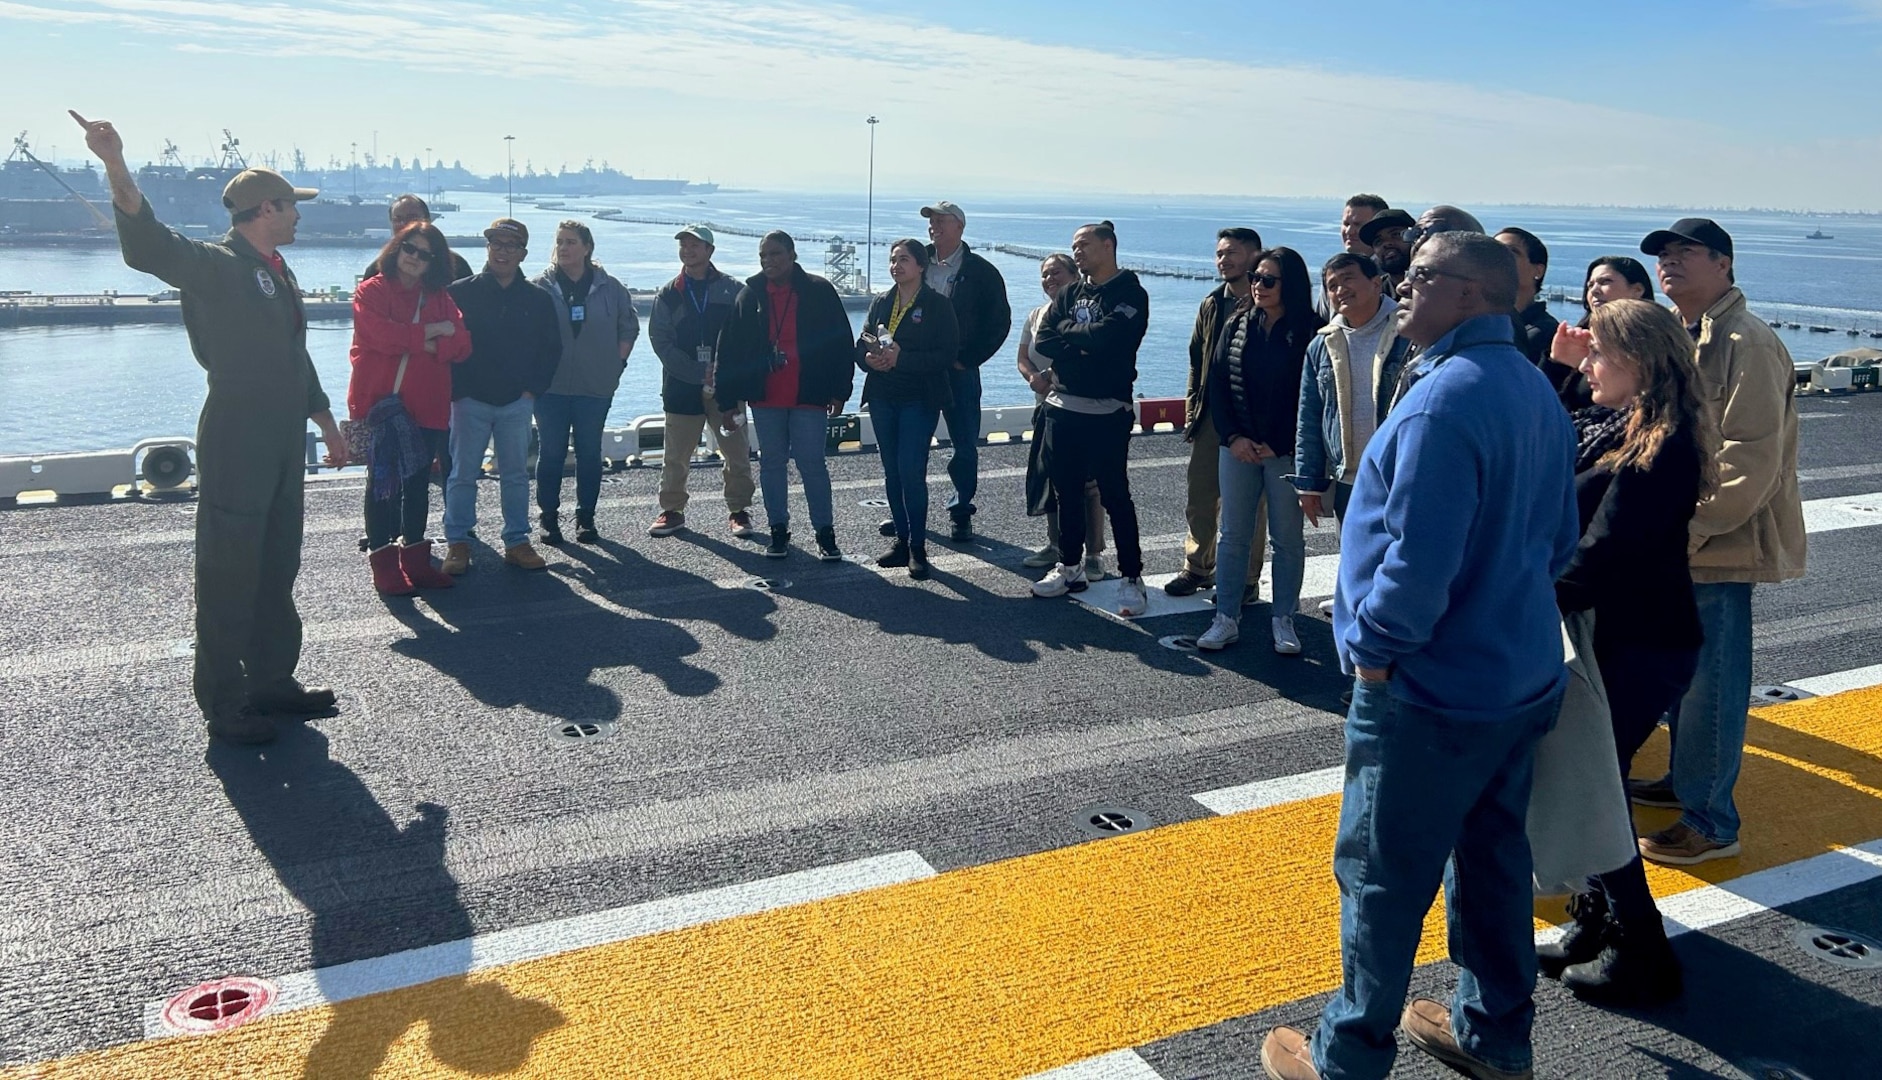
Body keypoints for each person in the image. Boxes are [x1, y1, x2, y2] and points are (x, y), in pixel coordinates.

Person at [1259, 233, 1580, 1080]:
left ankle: (1348, 1057)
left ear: (1472, 294)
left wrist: (1371, 651)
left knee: (1381, 877)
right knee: (1494, 860)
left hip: (1429, 689)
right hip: (1518, 675)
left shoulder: (1444, 400)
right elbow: (1559, 540)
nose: (1403, 287)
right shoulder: (1531, 387)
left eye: (1421, 277)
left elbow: (1416, 564)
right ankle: (1495, 1034)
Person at [74, 111, 349, 746]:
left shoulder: (277, 269)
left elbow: (292, 355)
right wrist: (115, 164)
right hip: (237, 435)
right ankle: (225, 703)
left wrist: (326, 423)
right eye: (291, 206)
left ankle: (272, 680)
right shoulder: (217, 265)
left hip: (283, 437)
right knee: (230, 572)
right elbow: (148, 247)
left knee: (278, 565)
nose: (300, 215)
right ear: (263, 208)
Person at [1540, 298, 1718, 1006]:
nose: (1590, 362)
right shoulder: (1615, 424)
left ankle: (1644, 952)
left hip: (1643, 644)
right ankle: (1595, 923)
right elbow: (1548, 447)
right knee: (1596, 781)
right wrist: (1559, 372)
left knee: (1599, 789)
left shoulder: (1663, 443)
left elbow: (1603, 550)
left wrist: (1525, 604)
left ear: (1640, 363)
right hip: (1619, 637)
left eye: (1601, 354)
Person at [1631, 218, 1805, 866]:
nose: (1669, 263)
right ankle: (1685, 783)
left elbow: (1749, 462)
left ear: (1724, 265)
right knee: (1683, 678)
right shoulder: (1687, 333)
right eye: (1663, 255)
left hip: (1719, 544)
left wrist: (1687, 531)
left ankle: (1711, 820)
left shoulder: (1745, 341)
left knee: (1713, 683)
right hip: (1681, 541)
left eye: (1685, 253)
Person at [1197, 248, 1324, 654]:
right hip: (1238, 448)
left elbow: (1313, 399)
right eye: (1255, 277)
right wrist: (1233, 437)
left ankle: (1284, 618)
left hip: (1286, 452)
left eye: (1269, 280)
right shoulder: (1236, 324)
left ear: (1291, 284)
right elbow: (1216, 384)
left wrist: (1279, 442)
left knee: (1287, 538)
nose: (1258, 286)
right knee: (1233, 533)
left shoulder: (1311, 331)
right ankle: (1225, 617)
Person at [1028, 221, 1151, 618]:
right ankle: (1069, 566)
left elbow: (1110, 338)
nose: (1076, 251)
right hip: (1063, 408)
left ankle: (1132, 576)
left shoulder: (1130, 292)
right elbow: (1043, 339)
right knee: (1066, 493)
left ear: (1108, 245)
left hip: (1108, 410)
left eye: (1083, 244)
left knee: (1115, 495)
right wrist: (1081, 341)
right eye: (1073, 246)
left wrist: (1073, 338)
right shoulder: (1068, 292)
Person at [714, 231, 855, 561]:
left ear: (792, 255)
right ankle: (778, 530)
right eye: (763, 255)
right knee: (772, 465)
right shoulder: (750, 295)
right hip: (766, 399)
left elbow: (841, 343)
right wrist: (726, 401)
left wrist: (840, 390)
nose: (768, 261)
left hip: (809, 395)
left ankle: (825, 533)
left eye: (775, 254)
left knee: (812, 465)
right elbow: (729, 349)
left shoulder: (819, 291)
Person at [348, 222, 471, 594]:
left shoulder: (438, 297)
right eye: (409, 249)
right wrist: (434, 333)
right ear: (396, 249)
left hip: (428, 405)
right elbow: (379, 336)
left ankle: (415, 562)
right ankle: (384, 564)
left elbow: (463, 345)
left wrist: (414, 339)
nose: (415, 258)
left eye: (425, 253)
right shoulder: (371, 290)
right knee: (382, 486)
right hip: (382, 405)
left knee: (418, 486)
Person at [442, 219, 561, 574]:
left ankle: (517, 541)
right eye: (496, 243)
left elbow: (550, 350)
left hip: (516, 402)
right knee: (463, 474)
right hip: (469, 401)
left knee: (515, 476)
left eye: (511, 245)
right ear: (488, 248)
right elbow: (446, 345)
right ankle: (458, 541)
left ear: (523, 253)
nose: (503, 251)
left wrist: (531, 392)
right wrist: (457, 392)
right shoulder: (459, 292)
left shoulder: (539, 299)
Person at [1171, 227, 1268, 603]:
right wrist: (1193, 407)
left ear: (1254, 255)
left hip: (1252, 417)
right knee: (1200, 495)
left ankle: (1246, 578)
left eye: (1231, 253)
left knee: (1248, 504)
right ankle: (1198, 567)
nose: (1223, 260)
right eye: (1219, 254)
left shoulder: (1268, 301)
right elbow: (1197, 357)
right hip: (1211, 413)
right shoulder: (1212, 302)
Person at [857, 239, 960, 579]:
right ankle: (901, 540)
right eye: (892, 259)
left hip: (919, 398)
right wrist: (870, 359)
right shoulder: (882, 302)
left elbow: (945, 355)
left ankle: (918, 546)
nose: (896, 265)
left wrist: (903, 359)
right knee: (892, 471)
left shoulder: (937, 305)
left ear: (921, 266)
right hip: (884, 397)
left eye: (904, 259)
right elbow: (862, 343)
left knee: (910, 470)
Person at [531, 221, 638, 545]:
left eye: (571, 242)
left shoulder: (611, 287)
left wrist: (615, 364)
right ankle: (548, 518)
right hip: (550, 388)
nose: (563, 248)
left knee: (589, 453)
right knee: (551, 452)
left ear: (587, 248)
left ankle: (586, 518)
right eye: (560, 241)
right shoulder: (540, 286)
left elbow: (628, 327)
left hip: (595, 386)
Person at [646, 224, 756, 538]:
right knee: (676, 455)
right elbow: (661, 342)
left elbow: (747, 336)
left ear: (710, 251)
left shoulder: (733, 290)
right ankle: (672, 510)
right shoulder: (669, 293)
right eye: (684, 245)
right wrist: (696, 371)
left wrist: (722, 370)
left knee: (736, 451)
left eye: (695, 245)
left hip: (726, 387)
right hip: (681, 386)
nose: (688, 250)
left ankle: (739, 510)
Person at [1292, 253, 1412, 528]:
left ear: (1375, 283)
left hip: (1400, 475)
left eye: (1348, 279)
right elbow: (1309, 418)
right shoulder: (1322, 345)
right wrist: (1308, 483)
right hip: (1348, 480)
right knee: (1354, 564)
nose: (1340, 290)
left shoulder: (1410, 332)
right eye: (1332, 286)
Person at [916, 201, 1011, 543]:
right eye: (931, 222)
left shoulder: (982, 271)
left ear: (959, 227)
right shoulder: (917, 261)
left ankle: (960, 511)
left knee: (964, 446)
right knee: (912, 445)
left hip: (958, 371)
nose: (934, 227)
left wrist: (969, 359)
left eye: (941, 221)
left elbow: (1000, 322)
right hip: (917, 370)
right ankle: (910, 513)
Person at [1017, 254, 1109, 576]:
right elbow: (1022, 357)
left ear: (1074, 275)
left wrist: (1053, 377)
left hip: (1078, 404)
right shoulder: (1036, 314)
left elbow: (1086, 353)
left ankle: (1094, 553)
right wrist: (1033, 378)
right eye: (1044, 274)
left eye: (1056, 272)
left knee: (1088, 483)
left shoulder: (1085, 310)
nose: (1049, 279)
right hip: (1045, 406)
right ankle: (1056, 545)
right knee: (1051, 479)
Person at [1544, 256, 1656, 408]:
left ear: (1637, 290)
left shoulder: (1651, 343)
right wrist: (1558, 363)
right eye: (1590, 285)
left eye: (1605, 282)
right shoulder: (1579, 340)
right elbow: (1544, 404)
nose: (1594, 290)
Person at [361, 195, 473, 282]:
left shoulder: (456, 265)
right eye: (398, 219)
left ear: (427, 221)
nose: (405, 224)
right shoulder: (378, 268)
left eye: (412, 218)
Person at [1497, 227, 1559, 365]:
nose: (1499, 257)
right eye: (1495, 250)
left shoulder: (1547, 332)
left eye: (1512, 251)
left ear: (1538, 270)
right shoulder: (1479, 322)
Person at [1356, 208, 1415, 294]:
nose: (1386, 244)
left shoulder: (1437, 284)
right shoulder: (1374, 295)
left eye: (1395, 235)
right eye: (1378, 241)